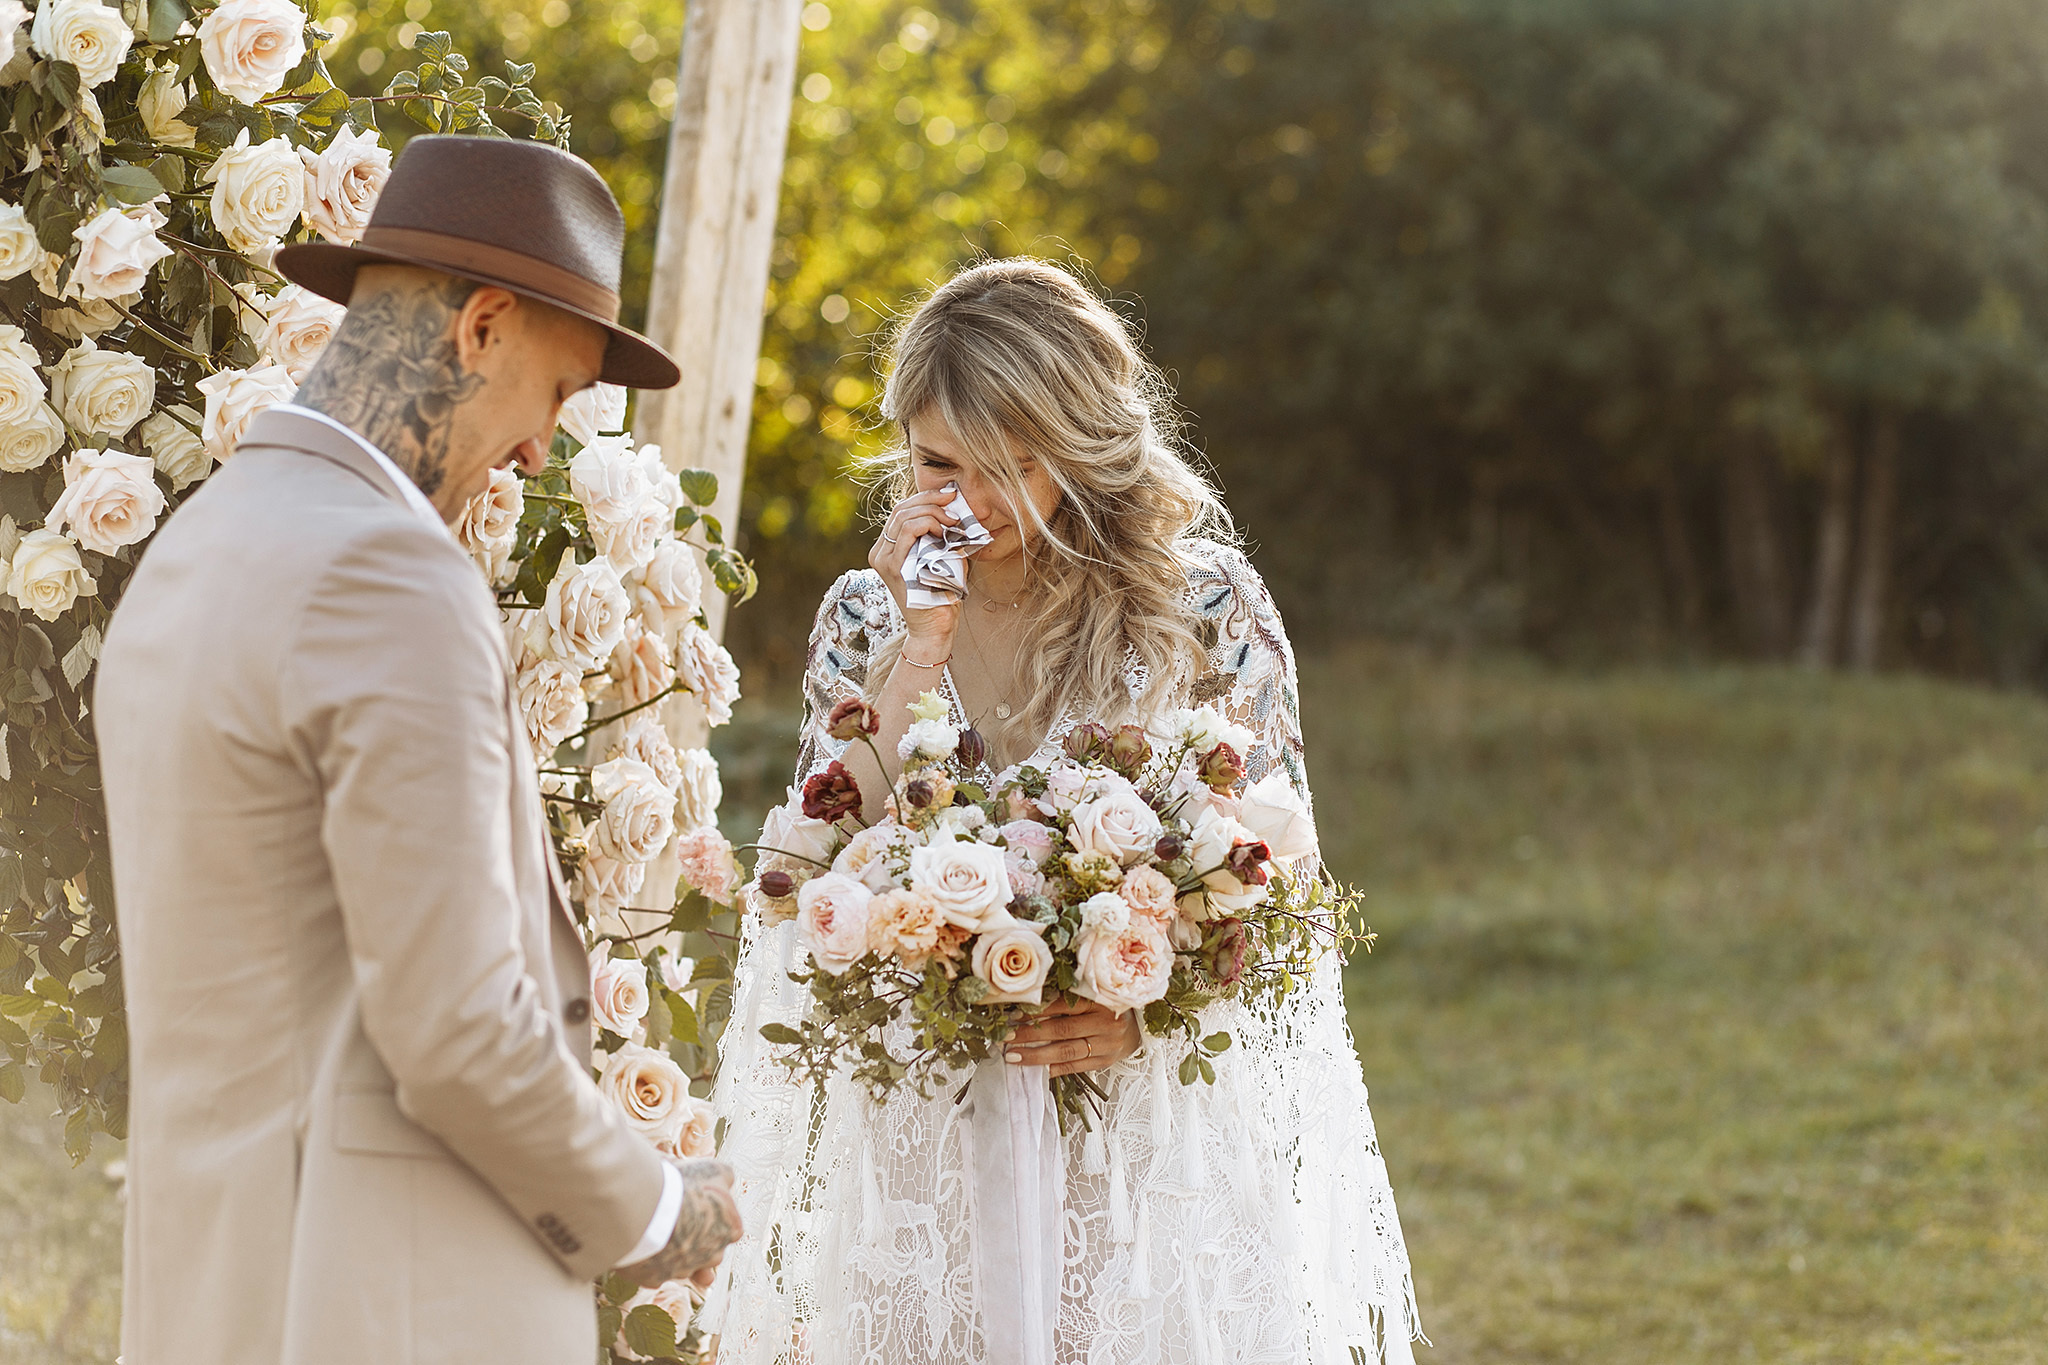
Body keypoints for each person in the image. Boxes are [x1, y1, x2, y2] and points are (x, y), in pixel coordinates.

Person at [95, 136, 738, 1365]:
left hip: (217, 1291)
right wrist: (657, 1211)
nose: (545, 449)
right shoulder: (387, 574)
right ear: (483, 326)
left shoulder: (201, 541)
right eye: (558, 392)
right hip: (382, 1306)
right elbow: (460, 1032)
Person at [709, 258, 1421, 1365]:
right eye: (938, 464)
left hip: (1139, 1119)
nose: (970, 505)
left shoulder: (1200, 604)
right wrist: (918, 650)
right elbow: (816, 875)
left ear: (1078, 450)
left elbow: (1277, 883)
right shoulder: (866, 614)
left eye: (1009, 466)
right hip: (930, 1111)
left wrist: (1146, 1011)